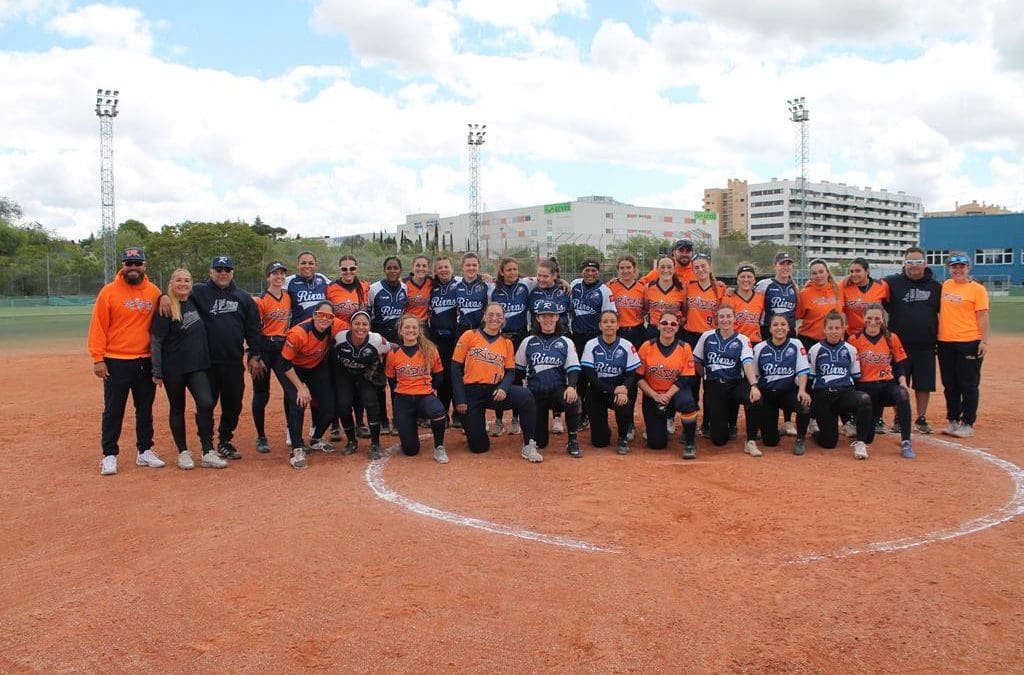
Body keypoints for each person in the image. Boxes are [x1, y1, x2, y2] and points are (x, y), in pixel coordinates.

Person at [88, 246, 164, 475]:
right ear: (123, 266)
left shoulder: (153, 291)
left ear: (144, 265)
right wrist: (97, 358)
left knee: (144, 409)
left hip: (145, 360)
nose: (133, 268)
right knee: (113, 409)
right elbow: (98, 326)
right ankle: (109, 454)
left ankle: (145, 451)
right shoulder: (109, 292)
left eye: (137, 263)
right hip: (116, 360)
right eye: (129, 263)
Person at [187, 255, 264, 460]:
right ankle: (207, 445)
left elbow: (253, 328)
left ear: (232, 273)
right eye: (218, 269)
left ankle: (224, 440)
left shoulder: (243, 297)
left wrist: (254, 354)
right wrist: (164, 298)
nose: (223, 273)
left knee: (233, 404)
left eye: (227, 270)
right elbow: (177, 293)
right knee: (206, 404)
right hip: (205, 363)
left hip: (232, 361)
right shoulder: (199, 292)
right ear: (210, 272)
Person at [151, 268, 224, 470]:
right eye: (179, 280)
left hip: (197, 366)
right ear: (171, 283)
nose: (183, 284)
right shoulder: (165, 308)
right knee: (177, 409)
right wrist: (157, 372)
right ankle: (183, 452)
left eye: (187, 280)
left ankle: (207, 450)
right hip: (173, 368)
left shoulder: (195, 301)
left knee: (206, 403)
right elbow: (156, 341)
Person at [452, 303, 540, 461]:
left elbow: (510, 371)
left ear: (503, 319)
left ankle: (529, 444)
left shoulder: (506, 343)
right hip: (472, 392)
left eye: (499, 315)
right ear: (484, 316)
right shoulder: (469, 335)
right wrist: (460, 399)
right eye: (491, 314)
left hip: (494, 390)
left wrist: (504, 388)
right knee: (479, 447)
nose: (494, 318)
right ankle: (476, 424)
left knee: (526, 395)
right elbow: (455, 368)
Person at [883, 246, 942, 434]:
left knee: (923, 384)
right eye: (910, 262)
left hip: (926, 345)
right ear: (904, 264)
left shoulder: (935, 287)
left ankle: (921, 418)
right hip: (899, 345)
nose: (914, 266)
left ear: (924, 263)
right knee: (899, 382)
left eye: (917, 262)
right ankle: (899, 418)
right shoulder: (892, 283)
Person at [516, 301, 584, 457]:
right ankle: (532, 435)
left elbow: (573, 368)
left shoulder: (566, 342)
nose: (547, 319)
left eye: (551, 316)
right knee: (541, 443)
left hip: (556, 392)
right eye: (543, 316)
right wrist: (520, 392)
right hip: (535, 395)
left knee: (573, 399)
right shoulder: (528, 341)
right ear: (538, 318)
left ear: (557, 317)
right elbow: (518, 370)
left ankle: (573, 440)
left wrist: (572, 386)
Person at [280, 300, 342, 469]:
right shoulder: (299, 333)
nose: (324, 319)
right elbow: (284, 364)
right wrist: (300, 387)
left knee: (331, 407)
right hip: (293, 369)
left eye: (328, 316)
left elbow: (358, 330)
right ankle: (297, 448)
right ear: (314, 315)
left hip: (315, 367)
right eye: (320, 315)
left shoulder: (335, 325)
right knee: (298, 402)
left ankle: (316, 438)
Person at [849, 304, 916, 458]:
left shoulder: (891, 338)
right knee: (869, 438)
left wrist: (903, 382)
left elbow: (899, 366)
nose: (873, 322)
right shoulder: (855, 339)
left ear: (883, 320)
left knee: (902, 394)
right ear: (864, 319)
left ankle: (906, 440)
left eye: (877, 318)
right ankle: (859, 426)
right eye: (870, 318)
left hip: (886, 386)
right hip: (866, 389)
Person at [693, 304, 761, 452]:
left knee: (754, 398)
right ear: (717, 319)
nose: (725, 320)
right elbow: (697, 360)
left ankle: (751, 440)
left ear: (734, 319)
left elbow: (747, 362)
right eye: (722, 316)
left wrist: (754, 385)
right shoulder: (707, 336)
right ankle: (716, 425)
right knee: (719, 440)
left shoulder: (742, 339)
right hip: (715, 385)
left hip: (735, 383)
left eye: (729, 316)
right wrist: (705, 374)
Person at [937, 252, 989, 438]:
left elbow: (982, 316)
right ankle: (952, 420)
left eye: (962, 266)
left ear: (968, 268)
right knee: (949, 383)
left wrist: (983, 340)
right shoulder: (945, 286)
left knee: (968, 384)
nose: (958, 270)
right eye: (954, 267)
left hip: (969, 341)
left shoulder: (977, 289)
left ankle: (968, 423)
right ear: (949, 268)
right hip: (945, 342)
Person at [807, 311, 873, 459]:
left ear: (843, 329)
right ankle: (815, 431)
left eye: (837, 328)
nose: (834, 332)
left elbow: (855, 375)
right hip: (823, 397)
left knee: (864, 399)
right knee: (829, 442)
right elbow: (810, 378)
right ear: (824, 329)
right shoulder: (815, 349)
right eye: (830, 328)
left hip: (844, 394)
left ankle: (860, 443)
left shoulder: (850, 349)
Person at [637, 310, 699, 458]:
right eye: (664, 323)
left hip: (675, 392)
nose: (668, 326)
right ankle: (659, 425)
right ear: (658, 325)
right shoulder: (647, 346)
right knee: (656, 444)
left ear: (677, 328)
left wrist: (667, 395)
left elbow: (685, 378)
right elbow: (638, 377)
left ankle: (690, 443)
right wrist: (654, 395)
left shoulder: (685, 347)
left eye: (673, 324)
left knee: (688, 402)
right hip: (653, 395)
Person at [751, 314, 812, 455]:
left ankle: (800, 439)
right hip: (767, 394)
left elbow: (803, 370)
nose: (780, 328)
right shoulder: (760, 347)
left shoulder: (796, 344)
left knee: (804, 404)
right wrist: (754, 389)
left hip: (787, 392)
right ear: (770, 329)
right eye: (776, 325)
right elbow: (753, 374)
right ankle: (769, 428)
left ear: (789, 328)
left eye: (783, 324)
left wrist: (802, 390)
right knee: (770, 442)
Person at [332, 310, 390, 459]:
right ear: (350, 325)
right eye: (357, 323)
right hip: (345, 374)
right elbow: (329, 353)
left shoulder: (376, 340)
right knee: (344, 405)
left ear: (370, 326)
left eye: (365, 324)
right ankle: (351, 441)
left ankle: (375, 443)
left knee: (371, 403)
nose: (361, 327)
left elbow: (393, 349)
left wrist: (381, 368)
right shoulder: (340, 338)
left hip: (365, 374)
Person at [581, 310, 640, 454]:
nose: (609, 325)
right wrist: (614, 390)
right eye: (605, 322)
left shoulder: (627, 345)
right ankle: (602, 429)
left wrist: (624, 388)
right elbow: (590, 376)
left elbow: (632, 375)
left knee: (624, 401)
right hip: (598, 391)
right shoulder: (591, 344)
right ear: (600, 325)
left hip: (619, 389)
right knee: (599, 442)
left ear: (618, 325)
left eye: (612, 322)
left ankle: (622, 437)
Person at [326, 254, 371, 437]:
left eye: (352, 268)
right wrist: (347, 328)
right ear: (339, 270)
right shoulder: (331, 288)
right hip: (337, 342)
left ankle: (360, 422)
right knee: (338, 384)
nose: (348, 272)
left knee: (359, 383)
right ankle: (335, 424)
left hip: (359, 342)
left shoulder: (364, 287)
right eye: (344, 269)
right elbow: (327, 313)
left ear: (356, 269)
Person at [487, 257, 534, 437]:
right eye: (509, 270)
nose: (512, 272)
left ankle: (515, 418)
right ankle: (498, 420)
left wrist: (560, 280)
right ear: (501, 272)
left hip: (521, 336)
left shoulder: (525, 285)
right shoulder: (493, 289)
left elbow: (547, 278)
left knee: (516, 376)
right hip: (500, 337)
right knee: (498, 376)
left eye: (515, 269)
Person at [569, 258, 615, 431]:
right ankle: (580, 413)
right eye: (587, 270)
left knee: (593, 376)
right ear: (582, 271)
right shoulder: (574, 285)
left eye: (593, 271)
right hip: (577, 337)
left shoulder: (604, 290)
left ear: (598, 272)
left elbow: (609, 316)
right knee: (578, 376)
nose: (590, 273)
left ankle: (591, 412)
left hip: (595, 338)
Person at [756, 251, 800, 435]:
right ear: (775, 265)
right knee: (766, 373)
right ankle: (760, 418)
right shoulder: (765, 285)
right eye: (782, 264)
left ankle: (788, 421)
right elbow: (751, 300)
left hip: (789, 332)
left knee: (788, 375)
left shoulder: (794, 286)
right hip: (768, 331)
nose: (785, 267)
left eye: (788, 264)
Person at [527, 258, 572, 434]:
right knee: (539, 373)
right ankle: (537, 412)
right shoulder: (532, 289)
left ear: (555, 276)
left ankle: (557, 417)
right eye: (539, 275)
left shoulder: (564, 290)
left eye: (546, 276)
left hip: (561, 336)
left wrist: (562, 282)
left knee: (559, 376)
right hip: (537, 337)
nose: (541, 279)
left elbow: (572, 312)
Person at [252, 261, 293, 454]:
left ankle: (291, 430)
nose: (278, 277)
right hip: (264, 346)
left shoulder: (288, 297)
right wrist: (255, 354)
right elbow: (254, 330)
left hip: (282, 347)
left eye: (281, 273)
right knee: (262, 393)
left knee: (290, 389)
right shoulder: (260, 300)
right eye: (274, 274)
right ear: (268, 277)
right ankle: (261, 436)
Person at [683, 254, 726, 437]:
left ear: (710, 267)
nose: (700, 270)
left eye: (703, 266)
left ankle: (707, 422)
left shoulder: (720, 289)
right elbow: (684, 309)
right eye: (697, 267)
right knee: (692, 382)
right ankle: (690, 423)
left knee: (710, 382)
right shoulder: (689, 287)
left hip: (711, 339)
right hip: (691, 336)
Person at [369, 256, 407, 435]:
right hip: (379, 340)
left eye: (396, 268)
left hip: (398, 341)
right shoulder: (374, 289)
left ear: (401, 270)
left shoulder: (404, 288)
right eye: (389, 268)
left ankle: (398, 420)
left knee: (396, 382)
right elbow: (368, 315)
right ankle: (382, 420)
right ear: (385, 270)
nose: (392, 271)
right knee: (379, 382)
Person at [428, 256, 460, 426]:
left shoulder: (460, 284)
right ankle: (443, 413)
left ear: (452, 268)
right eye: (439, 267)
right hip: (437, 339)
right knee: (441, 377)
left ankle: (458, 414)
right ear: (435, 271)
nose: (443, 270)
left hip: (456, 338)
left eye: (446, 267)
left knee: (457, 375)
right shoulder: (430, 286)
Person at [796, 258, 844, 352]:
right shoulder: (805, 293)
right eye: (814, 273)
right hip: (809, 341)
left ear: (828, 272)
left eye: (821, 272)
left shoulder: (839, 289)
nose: (818, 275)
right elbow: (796, 316)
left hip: (833, 341)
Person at [841, 257, 889, 336]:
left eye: (858, 271)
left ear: (867, 271)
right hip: (853, 335)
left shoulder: (882, 286)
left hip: (875, 333)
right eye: (851, 271)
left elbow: (889, 307)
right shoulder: (844, 286)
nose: (854, 274)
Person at [607, 255, 647, 348]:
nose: (625, 271)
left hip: (638, 330)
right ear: (618, 270)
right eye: (622, 268)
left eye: (629, 267)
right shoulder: (610, 287)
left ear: (634, 269)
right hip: (618, 331)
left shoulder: (642, 287)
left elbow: (646, 309)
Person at [643, 255, 686, 341]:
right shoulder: (648, 287)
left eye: (669, 267)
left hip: (673, 330)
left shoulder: (682, 288)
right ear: (657, 269)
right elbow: (646, 308)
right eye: (662, 267)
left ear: (674, 269)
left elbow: (685, 312)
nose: (666, 270)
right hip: (654, 331)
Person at [403, 255, 433, 323]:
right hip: (408, 323)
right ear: (412, 267)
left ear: (428, 269)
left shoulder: (431, 283)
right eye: (418, 265)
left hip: (423, 324)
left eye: (424, 266)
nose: (421, 268)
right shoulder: (404, 284)